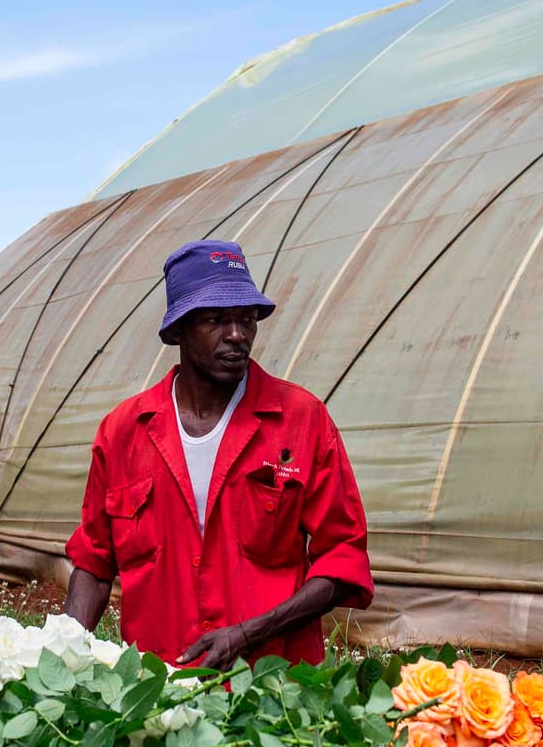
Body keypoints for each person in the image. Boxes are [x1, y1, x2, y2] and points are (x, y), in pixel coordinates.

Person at [63, 239, 372, 668]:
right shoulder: (123, 432)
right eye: (215, 320)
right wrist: (59, 659)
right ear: (177, 331)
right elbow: (95, 563)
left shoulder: (302, 420)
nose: (237, 335)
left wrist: (250, 633)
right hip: (157, 693)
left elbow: (342, 559)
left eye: (246, 319)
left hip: (274, 689)